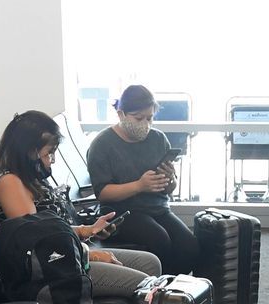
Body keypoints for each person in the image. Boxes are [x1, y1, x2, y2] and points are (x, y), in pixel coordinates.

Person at [0, 110, 161, 298]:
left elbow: (51, 229)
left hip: (66, 255)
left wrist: (86, 230)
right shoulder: (11, 184)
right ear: (31, 152)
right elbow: (38, 245)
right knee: (144, 285)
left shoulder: (30, 178)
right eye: (49, 153)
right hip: (50, 272)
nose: (52, 160)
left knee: (150, 263)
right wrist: (90, 254)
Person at [85, 85, 199, 275]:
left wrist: (169, 179)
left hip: (157, 208)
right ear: (121, 114)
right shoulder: (102, 144)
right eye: (139, 118)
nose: (145, 123)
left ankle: (171, 286)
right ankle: (157, 292)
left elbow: (170, 188)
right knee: (159, 240)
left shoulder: (158, 139)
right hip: (122, 212)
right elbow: (103, 193)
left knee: (190, 246)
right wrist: (139, 185)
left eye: (150, 118)